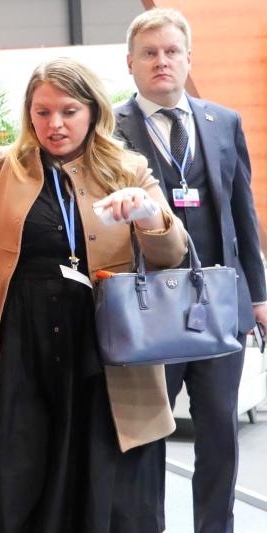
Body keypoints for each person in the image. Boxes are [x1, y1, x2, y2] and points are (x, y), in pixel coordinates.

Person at [0, 57, 187, 533]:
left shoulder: (129, 168)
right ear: (28, 114)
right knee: (17, 472)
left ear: (92, 111)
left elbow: (172, 255)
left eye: (67, 111)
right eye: (42, 112)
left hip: (103, 349)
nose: (54, 125)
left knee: (103, 474)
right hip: (17, 350)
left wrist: (146, 213)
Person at [114, 9, 266, 533]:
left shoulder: (222, 121)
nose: (162, 62)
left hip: (218, 302)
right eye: (150, 53)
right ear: (130, 63)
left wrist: (259, 295)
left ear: (187, 58)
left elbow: (242, 213)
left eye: (172, 51)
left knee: (220, 431)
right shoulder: (109, 127)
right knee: (148, 435)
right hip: (145, 306)